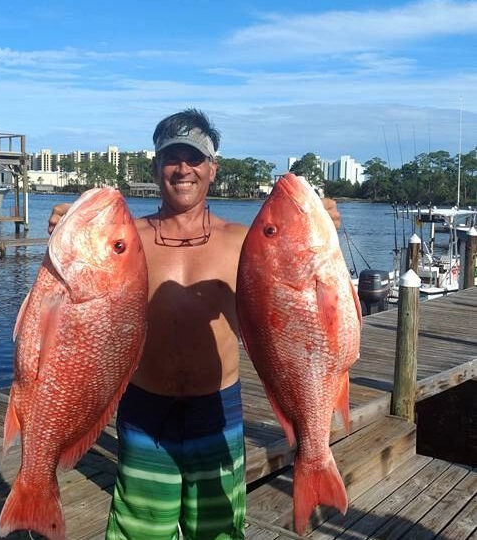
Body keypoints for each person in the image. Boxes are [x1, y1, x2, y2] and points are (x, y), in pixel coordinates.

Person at [48, 109, 340, 540]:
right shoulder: (120, 243)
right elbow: (64, 306)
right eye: (172, 157)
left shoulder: (250, 241)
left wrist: (324, 234)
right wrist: (63, 235)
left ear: (212, 170)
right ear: (155, 167)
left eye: (195, 158)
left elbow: (299, 313)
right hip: (145, 412)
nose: (183, 168)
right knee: (140, 531)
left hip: (216, 412)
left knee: (218, 531)